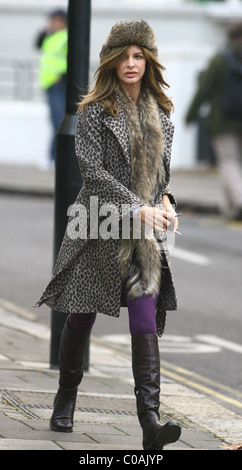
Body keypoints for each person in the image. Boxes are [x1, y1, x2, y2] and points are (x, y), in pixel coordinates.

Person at [35, 20, 181, 450]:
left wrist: (167, 200)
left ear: (148, 61)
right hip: (97, 224)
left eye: (139, 56)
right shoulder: (94, 109)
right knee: (82, 315)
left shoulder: (163, 114)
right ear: (111, 60)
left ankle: (150, 421)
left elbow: (162, 176)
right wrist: (139, 207)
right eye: (124, 56)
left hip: (141, 235)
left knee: (143, 315)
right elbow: (93, 174)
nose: (131, 64)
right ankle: (66, 394)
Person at [185, 23, 242, 221]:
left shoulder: (220, 59)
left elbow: (204, 91)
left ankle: (239, 201)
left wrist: (190, 116)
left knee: (228, 162)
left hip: (222, 122)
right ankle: (231, 209)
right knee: (235, 164)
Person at [36, 9, 68, 167]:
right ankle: (54, 157)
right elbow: (37, 44)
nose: (51, 23)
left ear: (62, 21)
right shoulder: (52, 36)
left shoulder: (67, 37)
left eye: (54, 20)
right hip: (50, 85)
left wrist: (61, 77)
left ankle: (54, 157)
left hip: (59, 85)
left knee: (60, 121)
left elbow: (73, 59)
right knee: (57, 121)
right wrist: (46, 29)